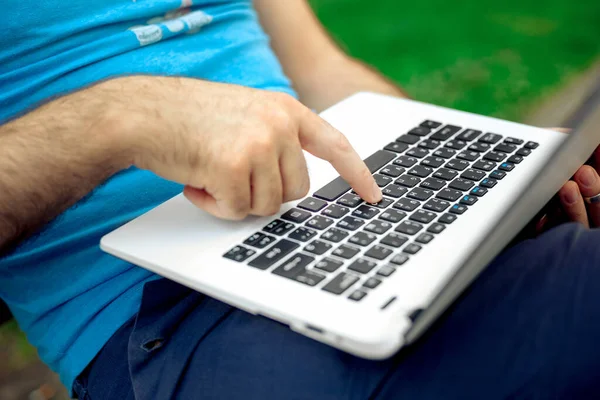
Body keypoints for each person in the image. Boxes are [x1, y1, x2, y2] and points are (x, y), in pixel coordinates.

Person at [0, 0, 599, 398]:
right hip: (162, 323)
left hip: (342, 218)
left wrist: (475, 159)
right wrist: (120, 118)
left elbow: (321, 70)